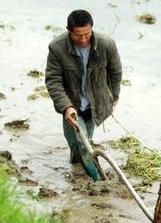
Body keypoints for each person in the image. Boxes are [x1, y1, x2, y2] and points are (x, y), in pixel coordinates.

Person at [45, 9, 122, 164]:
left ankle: (79, 168)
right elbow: (53, 81)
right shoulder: (57, 48)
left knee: (86, 141)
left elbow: (115, 72)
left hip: (95, 104)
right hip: (72, 104)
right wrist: (66, 107)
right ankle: (85, 172)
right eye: (78, 35)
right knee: (79, 143)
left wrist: (114, 95)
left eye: (87, 34)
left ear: (91, 28)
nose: (83, 39)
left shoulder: (106, 45)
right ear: (68, 30)